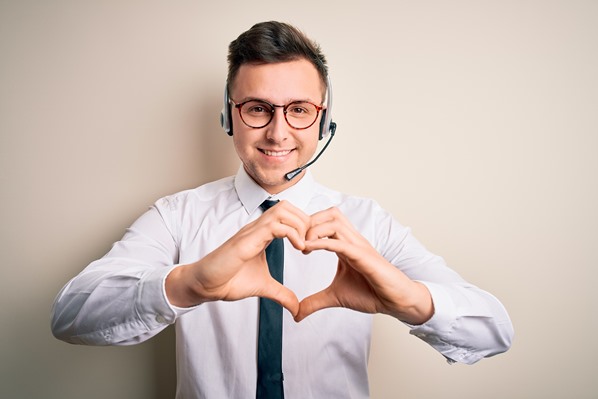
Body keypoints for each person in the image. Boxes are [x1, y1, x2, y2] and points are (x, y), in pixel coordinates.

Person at [51, 21, 513, 399]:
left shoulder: (369, 223)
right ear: (228, 116)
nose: (278, 132)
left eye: (299, 110)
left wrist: (410, 300)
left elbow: (494, 332)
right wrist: (188, 284)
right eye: (257, 109)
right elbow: (70, 315)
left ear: (323, 119)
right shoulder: (177, 215)